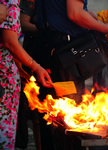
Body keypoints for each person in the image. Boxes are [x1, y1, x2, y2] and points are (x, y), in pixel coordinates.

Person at [30, 0, 108, 149]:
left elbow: (59, 11)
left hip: (45, 45)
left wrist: (86, 13)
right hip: (65, 52)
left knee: (49, 113)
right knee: (67, 116)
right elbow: (75, 14)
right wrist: (104, 28)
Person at [0, 0, 52, 149]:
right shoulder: (9, 1)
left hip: (8, 73)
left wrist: (22, 70)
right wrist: (36, 67)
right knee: (4, 133)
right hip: (4, 79)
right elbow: (10, 43)